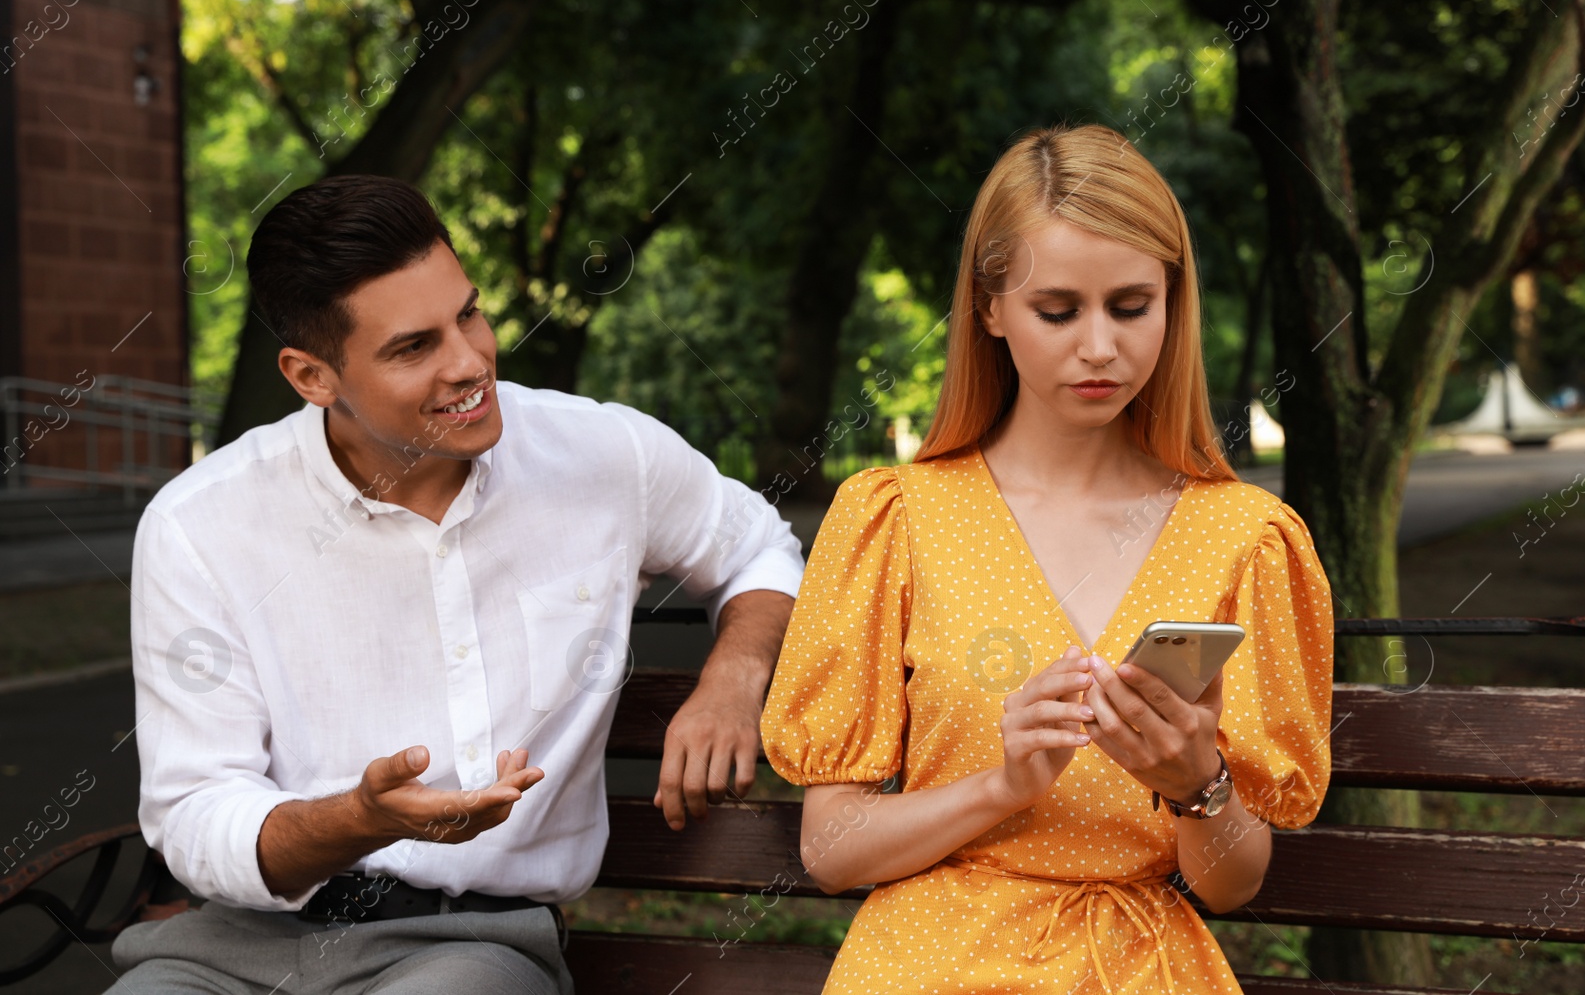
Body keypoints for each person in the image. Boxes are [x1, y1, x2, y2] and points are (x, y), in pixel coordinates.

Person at [111, 175, 802, 994]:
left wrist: (733, 678)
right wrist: (355, 821)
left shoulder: (604, 454)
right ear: (311, 376)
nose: (471, 363)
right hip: (231, 950)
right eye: (414, 347)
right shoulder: (199, 523)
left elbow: (760, 546)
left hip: (469, 944)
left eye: (469, 314)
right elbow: (194, 809)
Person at [760, 124, 1334, 994]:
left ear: (1173, 303)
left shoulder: (1246, 538)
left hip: (1138, 968)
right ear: (990, 308)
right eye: (1058, 311)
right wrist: (1004, 785)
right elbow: (831, 851)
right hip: (930, 963)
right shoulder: (896, 518)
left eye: (1131, 306)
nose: (1099, 346)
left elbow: (1232, 884)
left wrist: (1199, 783)